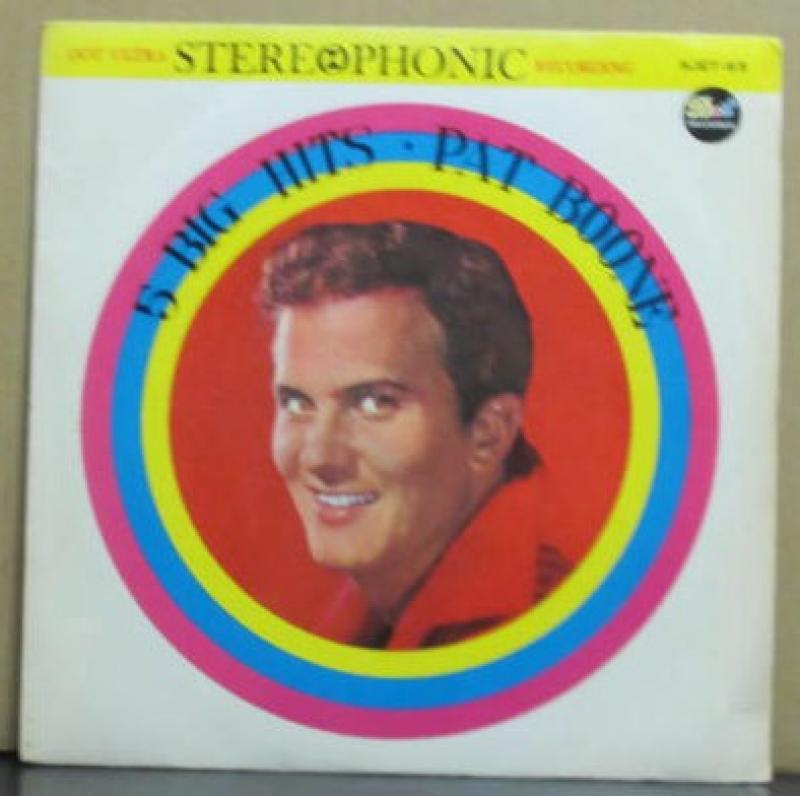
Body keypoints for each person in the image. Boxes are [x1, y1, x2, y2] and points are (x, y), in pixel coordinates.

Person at [261, 220, 570, 649]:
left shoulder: (544, 628)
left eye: (375, 403)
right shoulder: (375, 609)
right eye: (297, 403)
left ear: (488, 433)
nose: (320, 457)